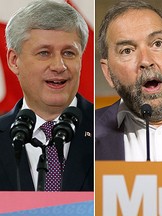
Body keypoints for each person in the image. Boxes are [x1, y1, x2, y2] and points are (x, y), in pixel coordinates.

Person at [0, 0, 93, 191]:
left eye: (69, 53)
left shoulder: (110, 130)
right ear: (14, 61)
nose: (59, 66)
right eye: (44, 53)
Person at [95, 0, 162, 161]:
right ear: (108, 72)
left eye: (157, 43)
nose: (146, 61)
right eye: (127, 51)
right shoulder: (86, 134)